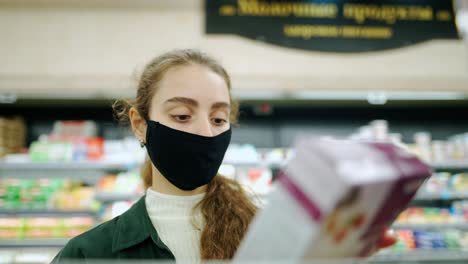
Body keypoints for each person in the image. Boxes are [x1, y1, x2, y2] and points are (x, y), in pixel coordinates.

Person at [51, 49, 395, 263]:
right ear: (140, 125)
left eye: (219, 119)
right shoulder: (89, 254)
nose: (205, 132)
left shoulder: (269, 240)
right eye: (182, 116)